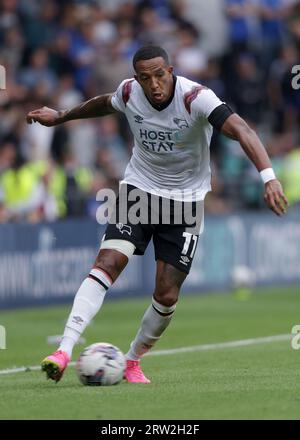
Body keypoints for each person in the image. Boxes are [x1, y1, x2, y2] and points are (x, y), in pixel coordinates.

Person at [26, 45, 288, 384]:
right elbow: (103, 103)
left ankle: (133, 360)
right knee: (107, 263)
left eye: (159, 75)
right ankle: (63, 350)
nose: (154, 84)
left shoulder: (196, 98)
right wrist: (61, 116)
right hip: (140, 190)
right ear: (137, 78)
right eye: (145, 77)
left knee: (166, 294)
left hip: (185, 203)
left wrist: (269, 177)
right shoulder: (129, 92)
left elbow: (243, 130)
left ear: (171, 70)